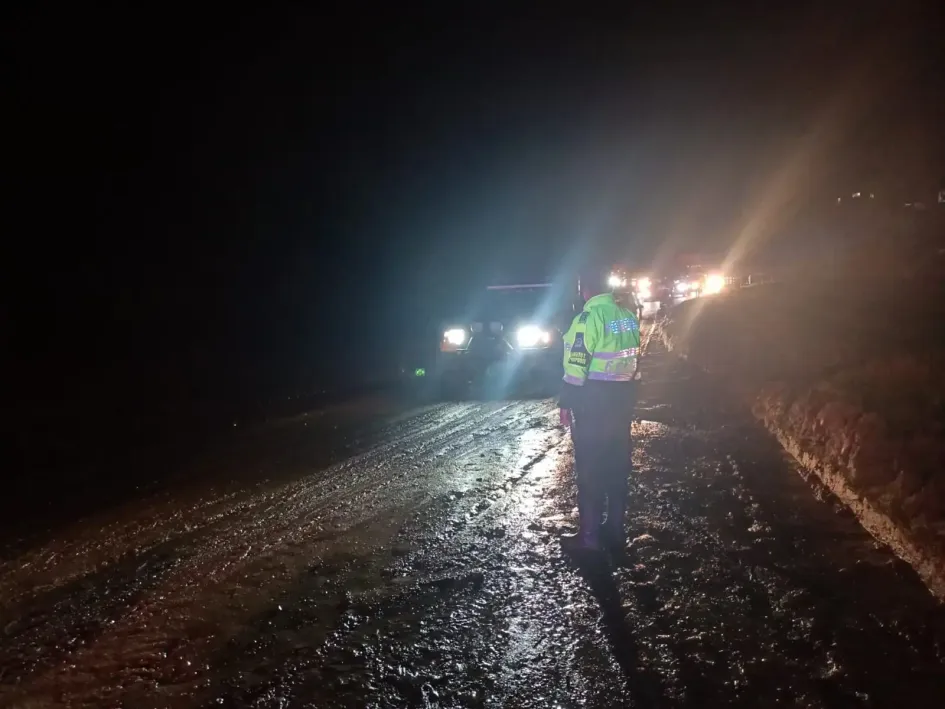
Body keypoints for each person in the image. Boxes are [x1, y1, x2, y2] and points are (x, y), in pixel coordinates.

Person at [559, 264, 642, 553]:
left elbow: (576, 365)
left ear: (585, 289)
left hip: (593, 402)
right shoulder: (628, 317)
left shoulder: (588, 317)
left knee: (591, 467)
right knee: (617, 466)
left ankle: (589, 537)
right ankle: (616, 531)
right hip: (622, 401)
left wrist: (566, 402)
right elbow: (633, 362)